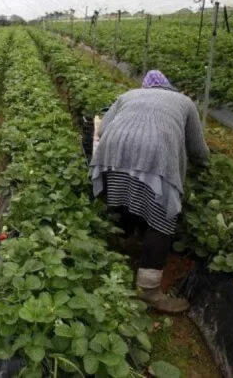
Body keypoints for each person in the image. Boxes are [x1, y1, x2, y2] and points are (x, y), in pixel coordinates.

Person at [91, 70, 209, 313]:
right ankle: (149, 290)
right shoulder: (184, 102)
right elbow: (199, 150)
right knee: (162, 217)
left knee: (124, 190)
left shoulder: (128, 95)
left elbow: (101, 132)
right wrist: (204, 165)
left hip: (114, 149)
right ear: (169, 87)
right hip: (157, 154)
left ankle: (124, 242)